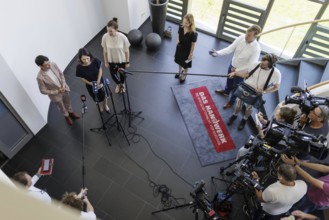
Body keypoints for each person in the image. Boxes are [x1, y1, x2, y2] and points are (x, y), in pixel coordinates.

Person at [211, 24, 261, 109]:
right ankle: (226, 92)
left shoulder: (256, 49)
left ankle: (231, 102)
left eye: (249, 35)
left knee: (237, 88)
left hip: (241, 71)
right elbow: (230, 48)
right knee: (229, 80)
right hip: (232, 64)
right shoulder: (241, 37)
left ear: (255, 37)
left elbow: (251, 65)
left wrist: (237, 70)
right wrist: (218, 53)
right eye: (246, 33)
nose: (246, 36)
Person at [227, 53, 281, 130]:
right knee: (238, 104)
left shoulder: (276, 73)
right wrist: (235, 73)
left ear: (271, 65)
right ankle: (234, 115)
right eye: (262, 62)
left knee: (249, 108)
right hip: (244, 87)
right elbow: (247, 74)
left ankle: (244, 119)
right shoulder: (256, 64)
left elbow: (276, 87)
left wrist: (264, 91)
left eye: (264, 65)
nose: (261, 65)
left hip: (255, 93)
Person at [35, 55, 80, 125]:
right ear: (41, 66)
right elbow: (43, 91)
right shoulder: (40, 77)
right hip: (55, 95)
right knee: (61, 106)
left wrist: (63, 85)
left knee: (68, 102)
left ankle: (71, 112)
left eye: (48, 62)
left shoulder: (53, 64)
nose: (49, 65)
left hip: (64, 88)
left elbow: (61, 74)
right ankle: (66, 116)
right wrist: (57, 91)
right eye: (46, 65)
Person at [101, 17, 130, 94]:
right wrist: (106, 62)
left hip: (121, 60)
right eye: (107, 30)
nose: (108, 33)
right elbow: (105, 51)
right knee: (113, 75)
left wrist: (127, 62)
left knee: (122, 75)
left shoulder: (123, 37)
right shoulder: (105, 37)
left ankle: (122, 85)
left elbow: (127, 51)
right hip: (111, 61)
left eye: (111, 31)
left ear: (116, 29)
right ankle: (118, 84)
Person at [76, 48, 110, 113]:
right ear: (80, 59)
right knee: (96, 97)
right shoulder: (79, 67)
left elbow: (100, 70)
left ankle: (105, 105)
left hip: (100, 81)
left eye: (87, 58)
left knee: (104, 95)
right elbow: (82, 78)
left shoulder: (95, 60)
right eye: (83, 59)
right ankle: (100, 106)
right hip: (90, 85)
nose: (86, 61)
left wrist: (98, 80)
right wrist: (90, 83)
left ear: (90, 56)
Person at [174, 13, 198, 83]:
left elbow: (193, 44)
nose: (184, 24)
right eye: (184, 22)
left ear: (191, 23)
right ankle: (179, 71)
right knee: (179, 61)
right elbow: (178, 33)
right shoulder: (181, 26)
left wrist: (191, 54)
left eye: (186, 23)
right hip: (180, 47)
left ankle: (184, 74)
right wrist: (177, 39)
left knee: (186, 64)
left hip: (187, 50)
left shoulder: (193, 33)